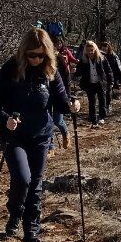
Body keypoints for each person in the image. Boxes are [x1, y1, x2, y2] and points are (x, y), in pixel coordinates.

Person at [0, 27, 80, 242]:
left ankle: (32, 228)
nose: (36, 59)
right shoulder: (10, 68)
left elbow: (61, 101)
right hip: (14, 134)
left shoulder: (51, 70)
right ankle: (15, 213)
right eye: (32, 55)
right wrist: (6, 118)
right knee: (22, 178)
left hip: (41, 134)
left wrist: (71, 105)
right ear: (24, 52)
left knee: (36, 182)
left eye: (40, 55)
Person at [46, 21, 78, 151]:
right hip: (46, 93)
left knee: (57, 120)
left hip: (60, 92)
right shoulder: (43, 59)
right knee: (48, 120)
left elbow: (66, 79)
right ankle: (51, 146)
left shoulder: (60, 58)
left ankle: (65, 133)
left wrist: (68, 95)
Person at [77, 40, 113, 127]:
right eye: (89, 50)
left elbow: (108, 71)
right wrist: (74, 72)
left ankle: (101, 117)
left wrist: (111, 82)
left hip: (100, 82)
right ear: (86, 51)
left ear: (95, 50)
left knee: (102, 100)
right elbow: (79, 71)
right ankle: (93, 121)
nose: (91, 52)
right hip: (89, 84)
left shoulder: (102, 58)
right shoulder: (83, 60)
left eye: (92, 50)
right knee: (92, 102)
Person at [101, 40, 121, 113]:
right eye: (102, 49)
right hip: (102, 76)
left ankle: (107, 106)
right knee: (102, 92)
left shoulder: (113, 56)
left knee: (108, 92)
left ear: (109, 48)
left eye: (105, 49)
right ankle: (103, 106)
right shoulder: (99, 55)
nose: (104, 50)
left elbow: (119, 67)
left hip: (111, 76)